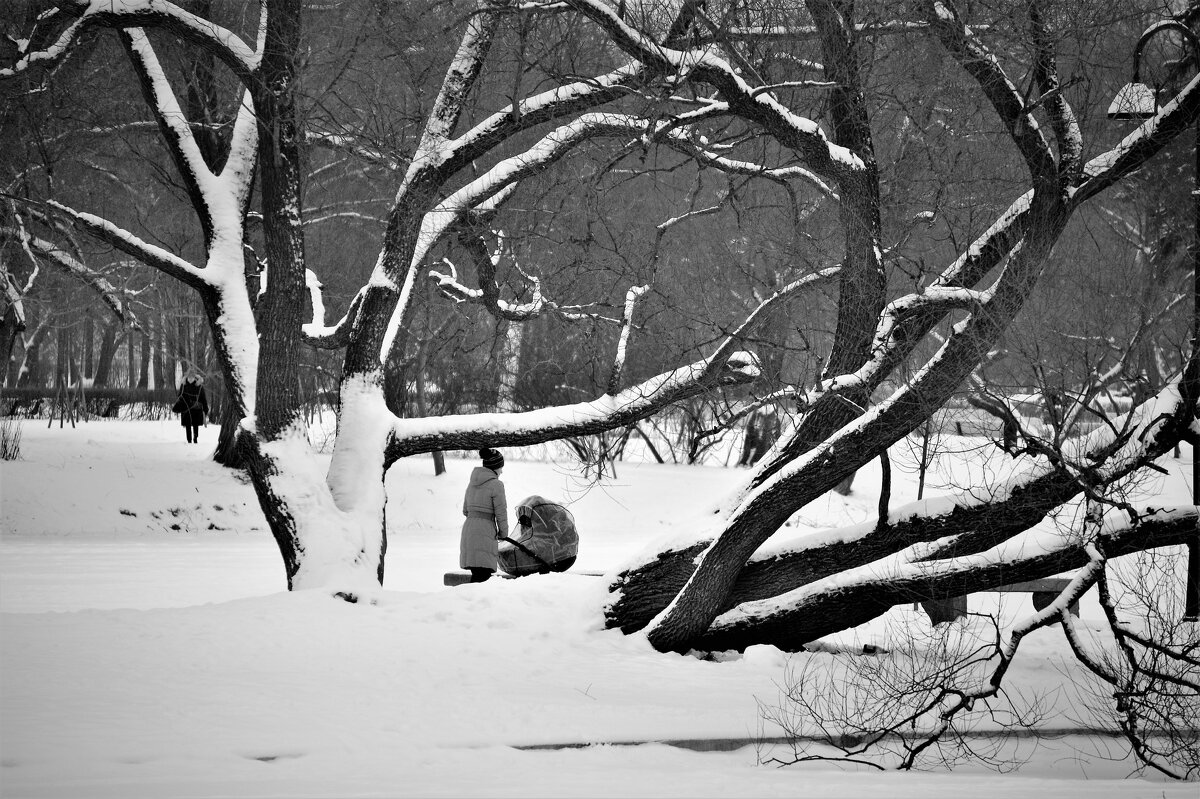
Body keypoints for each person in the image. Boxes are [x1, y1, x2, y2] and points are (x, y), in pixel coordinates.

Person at [460, 448, 509, 583]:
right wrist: (503, 533)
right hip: (485, 532)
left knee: (477, 575)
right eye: (500, 467)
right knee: (482, 579)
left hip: (469, 531)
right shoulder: (497, 485)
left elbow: (465, 511)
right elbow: (501, 512)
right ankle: (469, 602)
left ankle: (467, 601)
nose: (501, 471)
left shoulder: (472, 483)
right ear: (494, 468)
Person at [174, 373, 209, 444]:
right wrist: (205, 409)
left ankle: (193, 439)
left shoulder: (187, 385)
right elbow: (180, 397)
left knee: (192, 424)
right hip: (190, 408)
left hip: (192, 408)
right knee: (190, 425)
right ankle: (191, 439)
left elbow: (203, 398)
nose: (190, 378)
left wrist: (205, 408)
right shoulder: (185, 385)